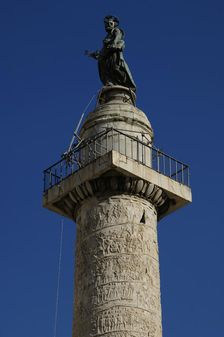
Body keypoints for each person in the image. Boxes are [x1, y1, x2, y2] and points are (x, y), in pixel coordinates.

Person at [85, 15, 136, 91]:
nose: (107, 26)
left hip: (113, 52)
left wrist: (114, 44)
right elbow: (104, 48)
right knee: (107, 71)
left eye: (110, 24)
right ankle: (110, 82)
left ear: (114, 24)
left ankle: (124, 82)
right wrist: (93, 54)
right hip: (106, 56)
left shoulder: (116, 30)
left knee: (116, 68)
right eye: (106, 24)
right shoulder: (107, 36)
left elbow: (117, 37)